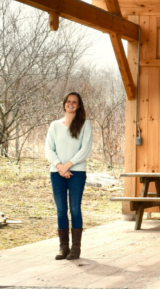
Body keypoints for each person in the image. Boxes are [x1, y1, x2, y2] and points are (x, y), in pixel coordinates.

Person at [45, 92, 93, 260]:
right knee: (60, 210)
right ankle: (63, 247)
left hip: (77, 172)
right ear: (64, 103)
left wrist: (67, 165)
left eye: (74, 102)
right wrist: (59, 166)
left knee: (74, 209)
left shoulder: (85, 124)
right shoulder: (54, 125)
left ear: (78, 105)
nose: (71, 104)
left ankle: (75, 248)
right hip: (56, 172)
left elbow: (85, 150)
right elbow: (48, 149)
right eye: (68, 101)